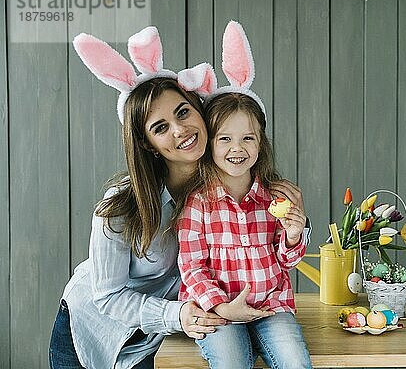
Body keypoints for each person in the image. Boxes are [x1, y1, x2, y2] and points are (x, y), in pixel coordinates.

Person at [49, 26, 309, 369]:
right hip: (96, 332)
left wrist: (297, 224)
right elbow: (108, 297)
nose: (180, 130)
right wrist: (182, 313)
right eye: (160, 127)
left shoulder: (233, 179)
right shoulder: (120, 207)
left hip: (165, 333)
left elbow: (266, 235)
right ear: (147, 144)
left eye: (183, 112)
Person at [176, 21, 311, 369]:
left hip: (272, 306)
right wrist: (221, 306)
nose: (237, 149)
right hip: (218, 308)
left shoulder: (275, 196)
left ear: (260, 143)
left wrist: (294, 233)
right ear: (210, 144)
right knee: (233, 362)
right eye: (225, 139)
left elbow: (287, 262)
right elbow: (191, 266)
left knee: (296, 362)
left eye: (247, 138)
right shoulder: (199, 202)